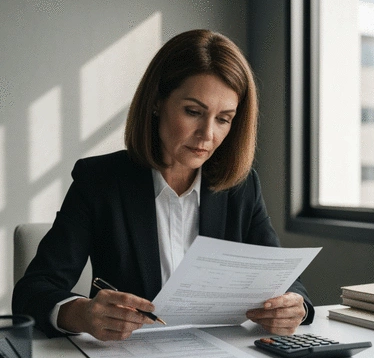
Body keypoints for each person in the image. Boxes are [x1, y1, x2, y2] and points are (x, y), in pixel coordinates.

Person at [12, 29, 314, 340]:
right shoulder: (100, 181)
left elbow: (286, 281)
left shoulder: (242, 186)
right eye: (193, 112)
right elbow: (33, 291)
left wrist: (295, 306)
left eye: (223, 119)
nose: (208, 135)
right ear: (157, 103)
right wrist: (83, 313)